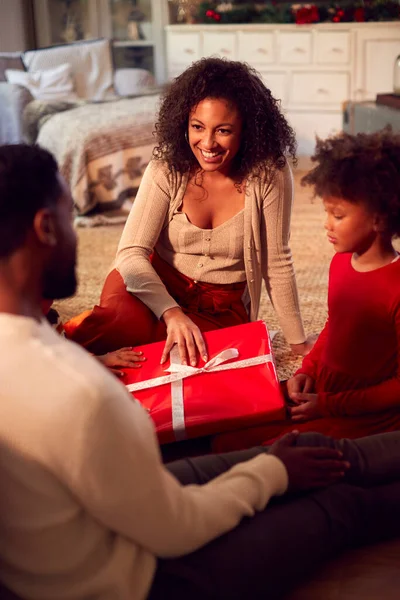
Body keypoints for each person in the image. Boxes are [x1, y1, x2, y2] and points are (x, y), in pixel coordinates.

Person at [1, 146, 400, 600]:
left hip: (98, 518)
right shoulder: (84, 395)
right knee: (337, 501)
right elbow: (173, 529)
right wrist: (274, 475)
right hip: (144, 578)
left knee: (287, 451)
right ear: (45, 228)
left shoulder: (54, 366)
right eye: (70, 219)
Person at [64, 57, 313, 366]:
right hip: (153, 284)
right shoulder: (167, 168)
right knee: (118, 327)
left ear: (247, 131)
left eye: (223, 130)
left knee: (200, 359)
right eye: (197, 127)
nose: (207, 143)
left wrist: (298, 342)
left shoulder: (269, 173)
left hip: (221, 306)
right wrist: (171, 312)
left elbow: (277, 262)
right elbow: (130, 253)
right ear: (184, 122)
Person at [212, 129, 400, 453]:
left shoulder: (395, 287)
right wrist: (307, 369)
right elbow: (334, 325)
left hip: (359, 412)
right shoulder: (341, 262)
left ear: (380, 219)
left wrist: (329, 405)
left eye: (338, 215)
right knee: (224, 433)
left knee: (268, 454)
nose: (326, 224)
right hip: (321, 388)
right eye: (327, 212)